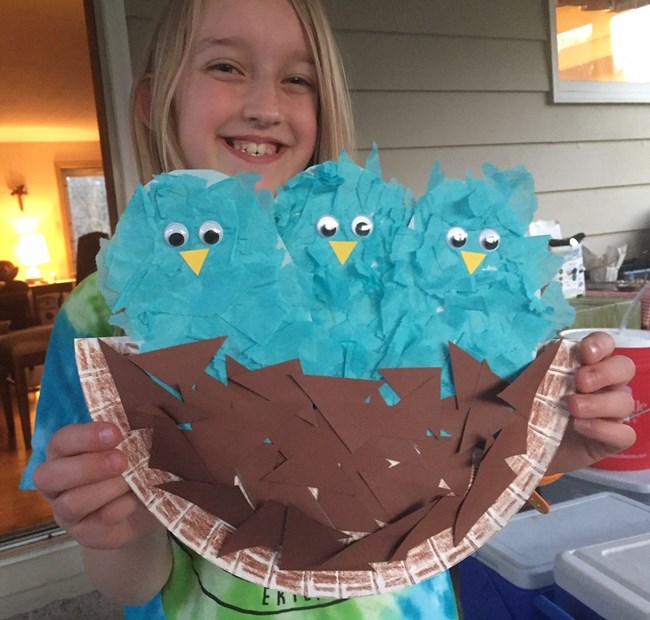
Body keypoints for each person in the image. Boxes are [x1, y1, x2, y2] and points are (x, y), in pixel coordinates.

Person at [21, 0, 635, 618]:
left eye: (298, 78)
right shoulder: (99, 318)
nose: (265, 104)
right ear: (155, 101)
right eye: (226, 66)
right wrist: (116, 528)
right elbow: (130, 581)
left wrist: (542, 445)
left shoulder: (393, 273)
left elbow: (448, 480)